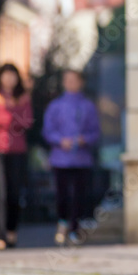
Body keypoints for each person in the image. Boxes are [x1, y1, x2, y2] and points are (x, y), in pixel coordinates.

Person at [42, 70, 100, 246]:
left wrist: (85, 139)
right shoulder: (55, 106)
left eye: (74, 80)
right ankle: (62, 223)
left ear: (81, 82)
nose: (71, 83)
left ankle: (75, 228)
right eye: (68, 80)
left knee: (79, 196)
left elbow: (95, 132)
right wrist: (60, 141)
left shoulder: (88, 106)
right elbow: (48, 130)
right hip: (61, 158)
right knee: (62, 195)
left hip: (81, 159)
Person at [0, 63, 33, 250]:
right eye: (6, 75)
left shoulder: (23, 97)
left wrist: (5, 115)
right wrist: (12, 117)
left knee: (14, 193)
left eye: (13, 76)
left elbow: (27, 121)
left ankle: (11, 229)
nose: (9, 79)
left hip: (17, 151)